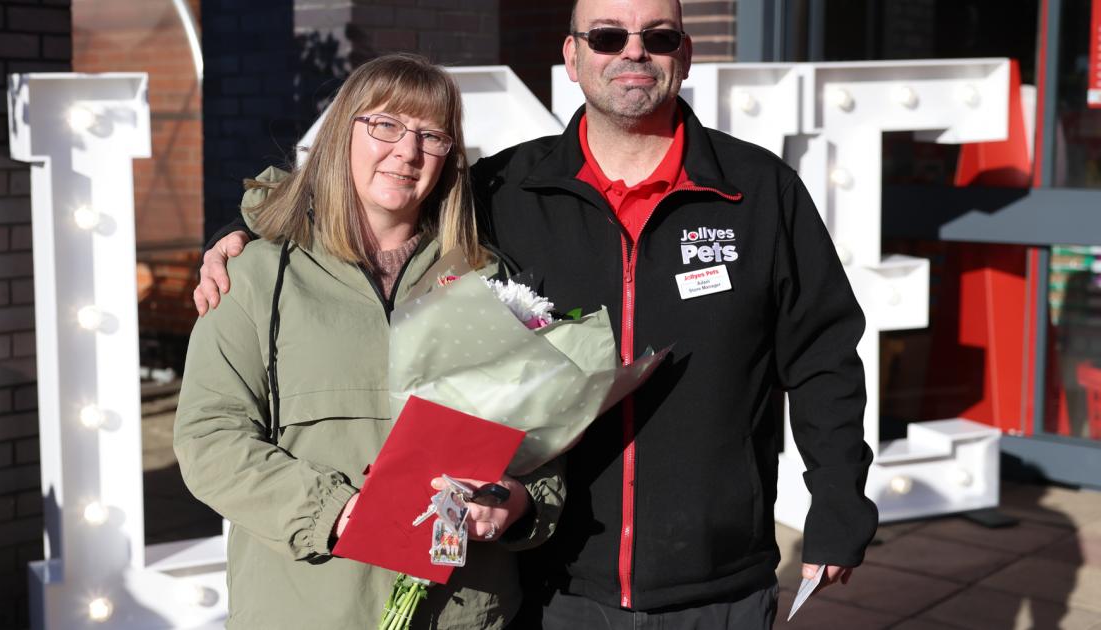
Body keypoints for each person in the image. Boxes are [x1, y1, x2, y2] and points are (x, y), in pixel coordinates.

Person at [196, 0, 878, 626]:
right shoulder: (504, 193)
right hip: (559, 584)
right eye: (608, 36)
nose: (633, 53)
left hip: (718, 578)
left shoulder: (758, 191)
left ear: (687, 55)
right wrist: (249, 230)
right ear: (573, 57)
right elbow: (377, 193)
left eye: (658, 37)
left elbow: (822, 356)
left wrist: (841, 502)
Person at [174, 53, 563, 630]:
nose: (406, 152)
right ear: (341, 132)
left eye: (432, 136)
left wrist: (520, 500)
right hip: (305, 607)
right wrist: (335, 510)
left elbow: (545, 441)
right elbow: (210, 438)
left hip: (460, 610)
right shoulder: (254, 275)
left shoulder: (486, 281)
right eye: (385, 125)